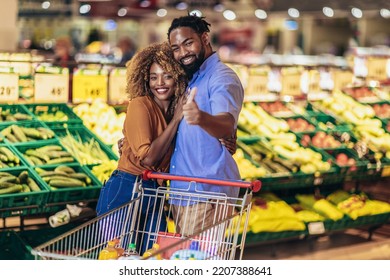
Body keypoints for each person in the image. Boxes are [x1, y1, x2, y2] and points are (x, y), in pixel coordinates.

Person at [95, 41, 187, 254]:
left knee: (153, 257)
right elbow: (147, 159)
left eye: (167, 76)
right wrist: (175, 122)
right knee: (119, 259)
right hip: (125, 189)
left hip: (154, 192)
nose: (160, 83)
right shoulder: (140, 105)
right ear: (145, 79)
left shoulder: (175, 111)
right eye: (153, 77)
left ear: (178, 78)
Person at [166, 14, 244, 236]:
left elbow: (226, 124)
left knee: (197, 262)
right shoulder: (193, 77)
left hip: (206, 192)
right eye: (176, 48)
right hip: (186, 191)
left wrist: (201, 117)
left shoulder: (221, 78)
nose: (183, 53)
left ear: (205, 37)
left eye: (188, 43)